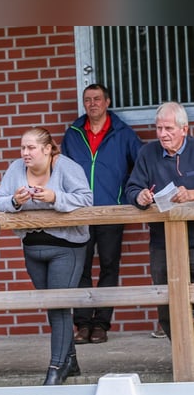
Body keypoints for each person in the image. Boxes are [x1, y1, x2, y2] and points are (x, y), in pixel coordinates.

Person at [0, 127, 93, 386]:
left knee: (59, 306)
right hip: (32, 248)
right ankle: (70, 360)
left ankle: (56, 369)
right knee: (53, 307)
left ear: (47, 149)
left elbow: (86, 199)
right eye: (23, 148)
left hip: (66, 246)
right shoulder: (15, 169)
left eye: (31, 148)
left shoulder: (66, 168)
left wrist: (54, 197)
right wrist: (15, 201)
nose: (25, 153)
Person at [61, 83, 143, 345]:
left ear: (107, 102)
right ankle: (82, 325)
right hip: (80, 213)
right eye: (88, 100)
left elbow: (141, 165)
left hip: (111, 211)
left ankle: (101, 325)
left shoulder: (123, 133)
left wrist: (128, 193)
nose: (92, 104)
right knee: (81, 268)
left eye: (97, 99)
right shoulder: (73, 133)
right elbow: (61, 169)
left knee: (109, 267)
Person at [125, 101, 194, 340]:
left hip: (193, 239)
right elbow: (131, 188)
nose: (162, 134)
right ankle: (182, 356)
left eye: (169, 129)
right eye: (158, 128)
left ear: (184, 129)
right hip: (161, 242)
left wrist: (191, 195)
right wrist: (140, 196)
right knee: (166, 303)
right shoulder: (147, 153)